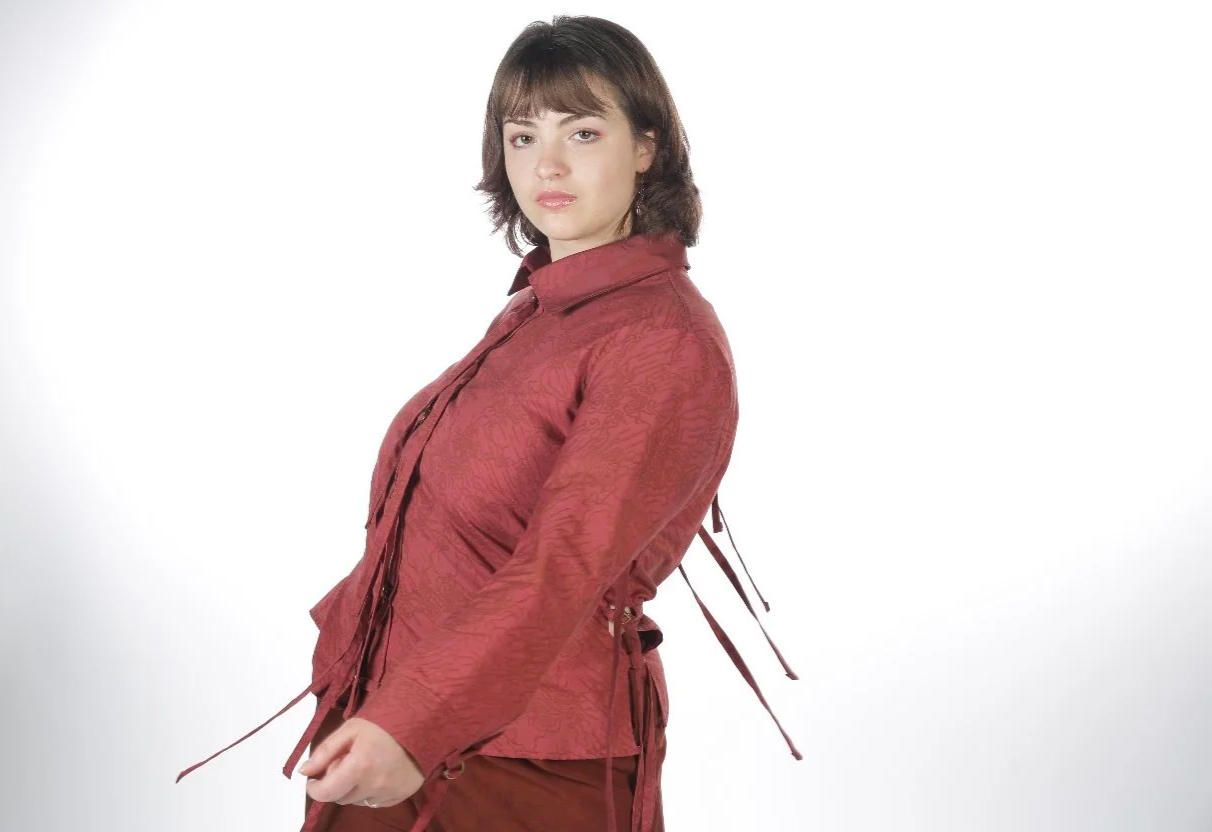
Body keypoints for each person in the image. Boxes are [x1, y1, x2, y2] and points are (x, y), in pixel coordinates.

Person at [175, 15, 800, 832]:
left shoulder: (660, 338)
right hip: (397, 731)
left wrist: (413, 722)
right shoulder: (542, 310)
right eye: (521, 133)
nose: (546, 163)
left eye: (582, 130)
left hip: (519, 763)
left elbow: (562, 567)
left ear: (646, 145)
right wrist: (384, 708)